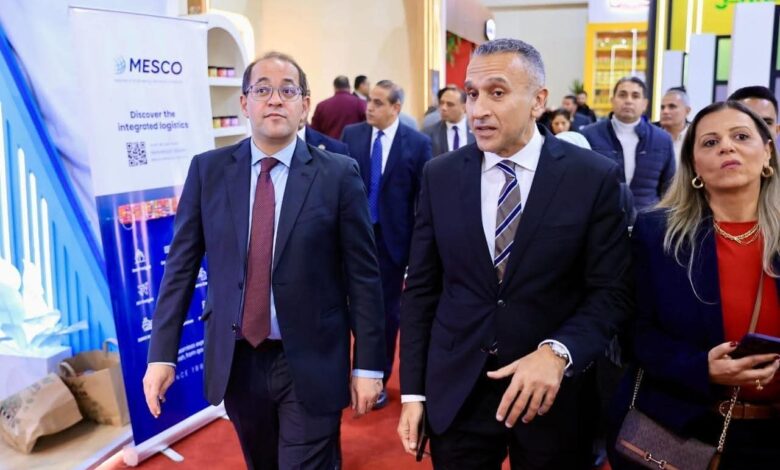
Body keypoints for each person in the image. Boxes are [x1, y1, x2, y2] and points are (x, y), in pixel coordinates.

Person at [143, 52, 386, 470]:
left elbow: (363, 278)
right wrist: (161, 355)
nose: (275, 99)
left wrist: (368, 365)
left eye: (288, 90)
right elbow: (180, 269)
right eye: (262, 90)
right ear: (245, 103)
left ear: (304, 105)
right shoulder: (208, 171)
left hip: (311, 358)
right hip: (238, 359)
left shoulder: (338, 174)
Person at [397, 38, 632, 469]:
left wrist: (558, 352)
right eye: (472, 94)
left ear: (538, 100)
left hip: (552, 396)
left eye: (497, 93)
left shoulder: (592, 177)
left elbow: (610, 293)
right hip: (458, 390)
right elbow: (422, 291)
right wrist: (413, 393)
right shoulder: (440, 175)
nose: (478, 110)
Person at [609, 100, 780, 469]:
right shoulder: (657, 234)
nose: (727, 147)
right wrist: (700, 367)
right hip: (682, 430)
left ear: (767, 152)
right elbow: (634, 332)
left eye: (741, 136)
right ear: (693, 165)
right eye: (710, 142)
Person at [341, 80, 432, 409]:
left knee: (384, 312)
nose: (370, 107)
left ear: (396, 108)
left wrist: (418, 249)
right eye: (369, 100)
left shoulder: (417, 144)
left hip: (393, 243)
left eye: (378, 103)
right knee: (348, 308)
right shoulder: (352, 135)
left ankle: (377, 377)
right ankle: (349, 374)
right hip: (352, 238)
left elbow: (423, 200)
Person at [581, 76, 676, 212]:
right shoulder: (589, 135)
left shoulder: (662, 139)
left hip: (647, 217)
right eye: (622, 95)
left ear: (645, 104)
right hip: (602, 217)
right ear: (612, 100)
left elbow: (669, 189)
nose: (628, 101)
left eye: (635, 96)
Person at [423, 86, 475, 156]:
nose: (443, 108)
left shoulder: (476, 130)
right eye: (441, 103)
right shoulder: (429, 133)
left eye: (450, 104)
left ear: (464, 107)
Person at [655, 87, 691, 162]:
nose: (665, 111)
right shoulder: (650, 135)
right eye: (662, 107)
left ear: (687, 111)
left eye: (672, 106)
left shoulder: (695, 135)